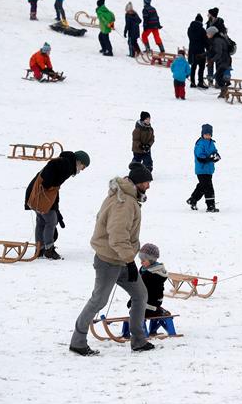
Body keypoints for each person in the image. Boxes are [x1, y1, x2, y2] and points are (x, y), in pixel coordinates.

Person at [68, 163, 156, 356]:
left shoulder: (127, 197)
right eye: (146, 182)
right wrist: (131, 261)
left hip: (121, 259)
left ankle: (139, 341)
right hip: (109, 260)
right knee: (98, 300)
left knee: (140, 295)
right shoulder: (123, 202)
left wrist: (128, 259)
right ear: (137, 182)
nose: (149, 186)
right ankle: (78, 341)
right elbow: (117, 236)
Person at [24, 150, 89, 259]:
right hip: (40, 195)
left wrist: (55, 206)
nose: (82, 169)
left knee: (41, 221)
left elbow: (54, 187)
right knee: (51, 221)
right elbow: (51, 170)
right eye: (83, 166)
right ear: (78, 162)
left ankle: (39, 249)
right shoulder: (66, 164)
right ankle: (49, 249)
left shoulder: (66, 163)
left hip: (34, 193)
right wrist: (48, 184)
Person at [122, 243, 177, 338]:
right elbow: (138, 289)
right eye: (140, 260)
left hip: (152, 302)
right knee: (134, 311)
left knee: (135, 313)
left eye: (144, 260)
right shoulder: (144, 270)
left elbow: (145, 291)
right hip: (145, 301)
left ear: (151, 260)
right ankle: (155, 317)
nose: (141, 262)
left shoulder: (153, 274)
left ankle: (157, 313)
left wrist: (135, 302)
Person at [186, 124, 220, 213]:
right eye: (206, 134)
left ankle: (192, 200)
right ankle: (210, 206)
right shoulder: (200, 143)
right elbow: (200, 157)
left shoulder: (211, 143)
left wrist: (216, 156)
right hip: (201, 170)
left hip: (209, 170)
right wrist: (209, 158)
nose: (207, 136)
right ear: (202, 134)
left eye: (209, 134)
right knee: (208, 187)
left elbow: (214, 152)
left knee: (202, 186)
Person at [187, 14, 208, 88]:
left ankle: (192, 83)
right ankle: (200, 82)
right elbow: (205, 41)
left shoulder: (190, 29)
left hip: (192, 50)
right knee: (201, 67)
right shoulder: (202, 30)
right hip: (200, 51)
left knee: (193, 67)